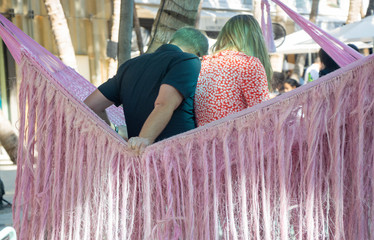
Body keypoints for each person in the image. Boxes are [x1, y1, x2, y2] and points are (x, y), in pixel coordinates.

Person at [84, 27, 209, 154]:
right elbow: (164, 104)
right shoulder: (189, 61)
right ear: (199, 55)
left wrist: (114, 135)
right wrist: (143, 141)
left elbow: (91, 105)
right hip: (177, 156)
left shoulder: (130, 65)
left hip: (140, 161)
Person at [194, 14, 272, 127]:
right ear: (255, 39)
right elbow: (262, 114)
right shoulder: (248, 64)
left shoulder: (202, 64)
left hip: (203, 141)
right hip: (235, 140)